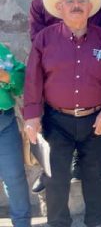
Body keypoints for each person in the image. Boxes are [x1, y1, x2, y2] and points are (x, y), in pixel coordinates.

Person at [24, 0, 101, 227]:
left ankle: (96, 222)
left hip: (96, 120)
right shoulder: (44, 39)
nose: (76, 5)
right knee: (55, 178)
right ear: (59, 8)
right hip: (56, 121)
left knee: (95, 176)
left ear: (90, 8)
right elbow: (33, 79)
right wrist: (32, 117)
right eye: (69, 0)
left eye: (81, 0)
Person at [0, 43, 31, 227]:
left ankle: (22, 223)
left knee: (15, 177)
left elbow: (20, 81)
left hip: (4, 122)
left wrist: (6, 76)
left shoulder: (1, 52)